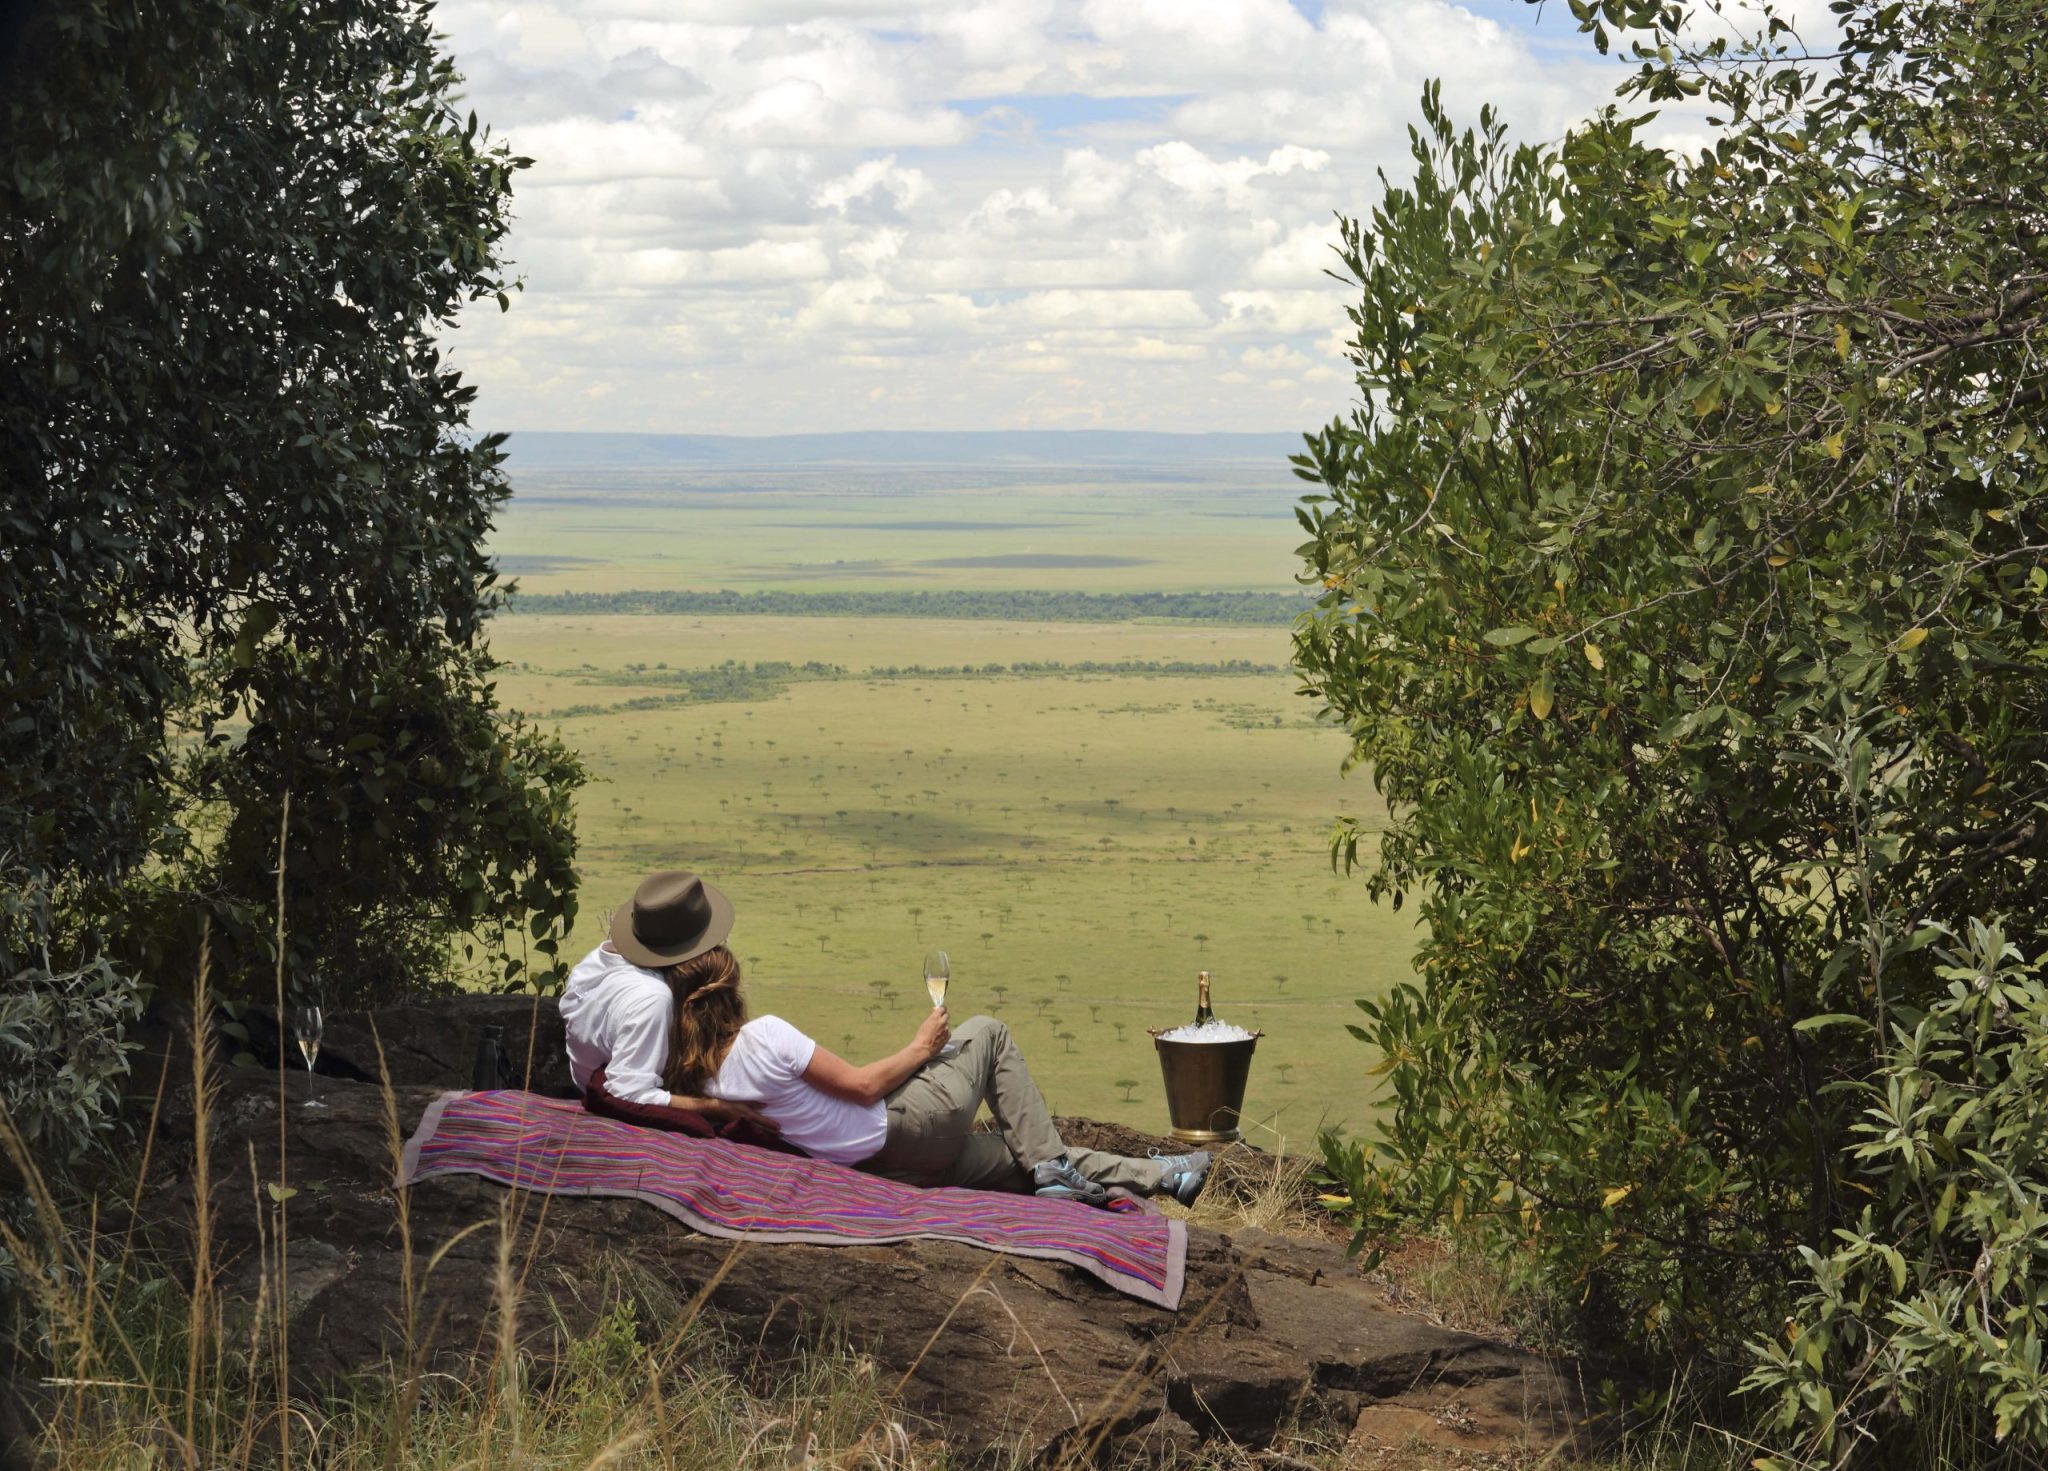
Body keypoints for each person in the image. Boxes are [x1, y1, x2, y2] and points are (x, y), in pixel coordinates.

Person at [561, 869, 1213, 1208]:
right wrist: (924, 1045)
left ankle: (1159, 1176)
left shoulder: (681, 1070)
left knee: (1023, 1156)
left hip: (869, 1166)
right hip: (896, 1131)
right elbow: (864, 1086)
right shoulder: (765, 1037)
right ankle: (1058, 1168)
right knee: (988, 1031)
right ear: (727, 985)